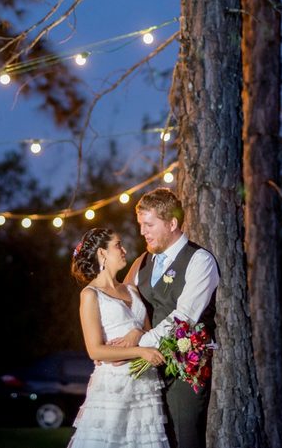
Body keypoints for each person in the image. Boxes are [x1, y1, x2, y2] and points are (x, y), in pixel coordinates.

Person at [115, 188, 220, 448]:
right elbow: (127, 305)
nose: (142, 232)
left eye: (149, 224)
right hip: (147, 369)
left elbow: (184, 317)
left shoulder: (200, 261)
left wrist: (139, 346)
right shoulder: (141, 263)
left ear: (172, 223)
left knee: (184, 438)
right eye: (141, 225)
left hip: (184, 368)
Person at [68, 227, 170, 448]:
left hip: (144, 387)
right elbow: (95, 350)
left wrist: (137, 334)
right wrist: (139, 351)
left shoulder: (132, 290)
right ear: (102, 253)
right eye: (117, 245)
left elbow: (149, 332)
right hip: (113, 388)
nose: (124, 249)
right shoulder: (90, 295)